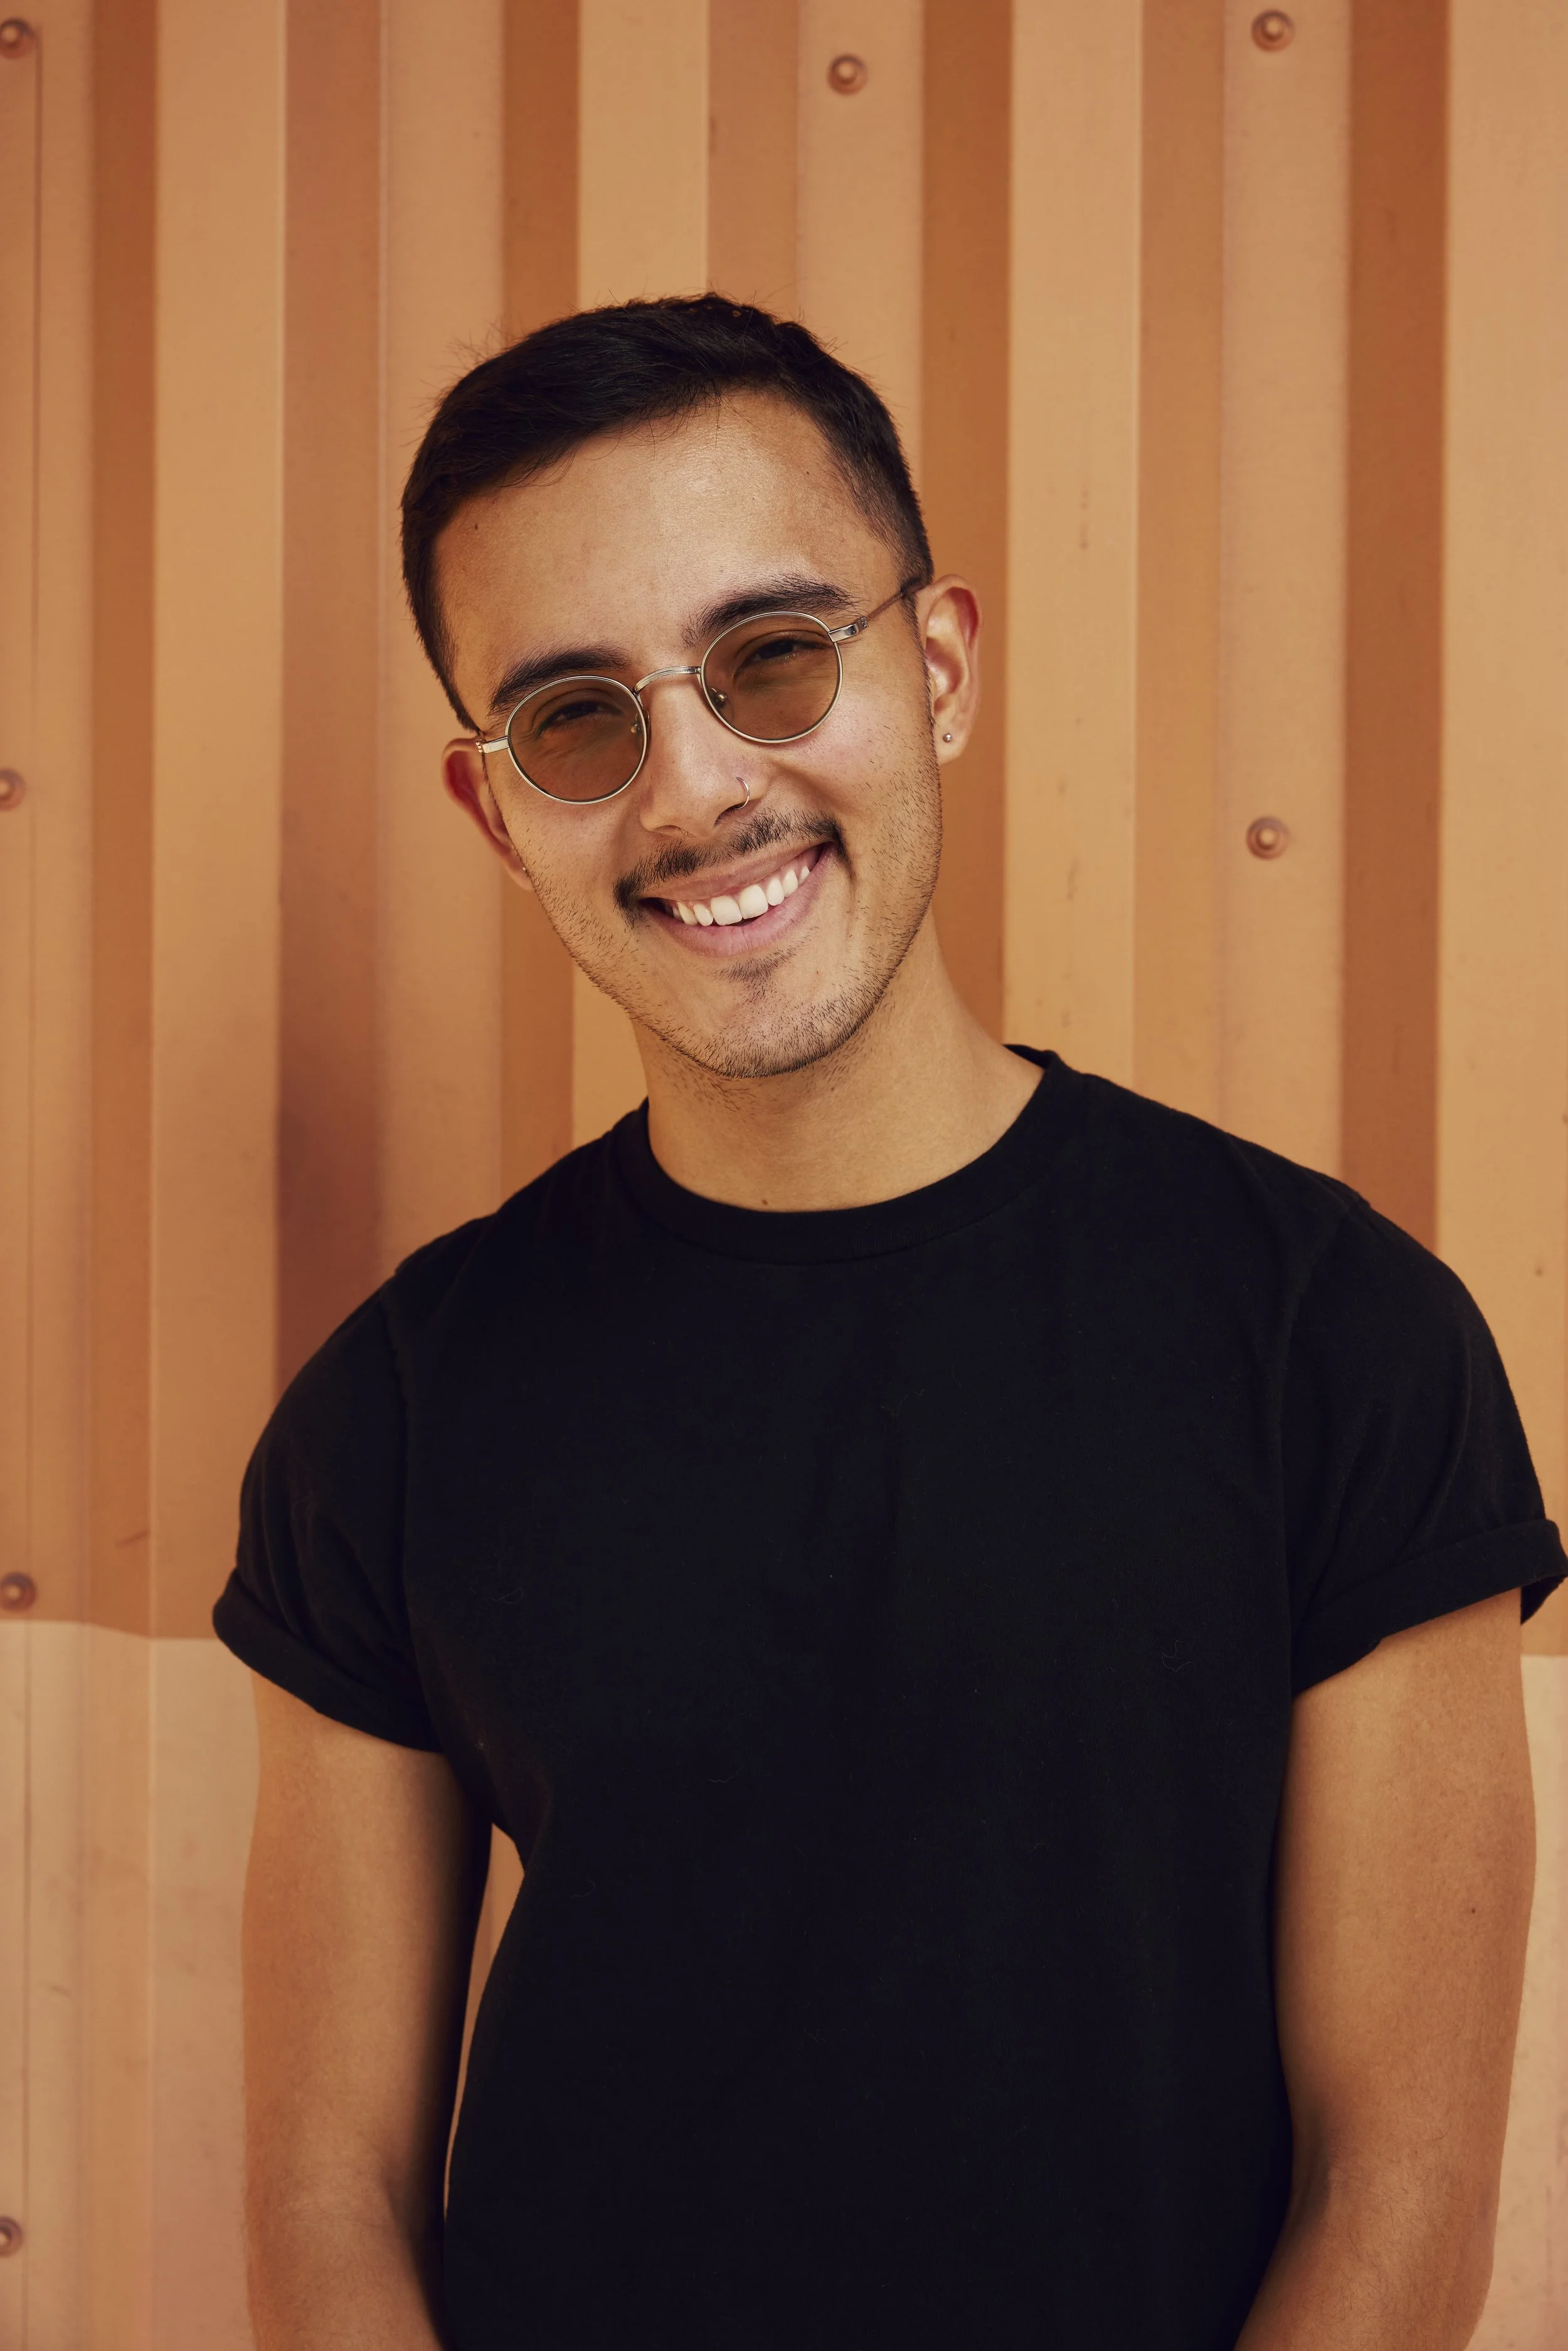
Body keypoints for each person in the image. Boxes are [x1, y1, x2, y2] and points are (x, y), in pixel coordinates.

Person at [217, 296, 1560, 2351]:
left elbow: (1395, 2183)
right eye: (575, 718)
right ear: (497, 810)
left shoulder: (1335, 1338)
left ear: (932, 671)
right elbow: (331, 2198)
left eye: (770, 656)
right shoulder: (391, 1412)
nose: (693, 790)